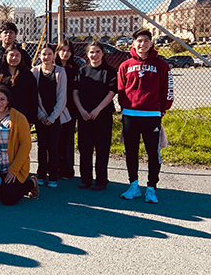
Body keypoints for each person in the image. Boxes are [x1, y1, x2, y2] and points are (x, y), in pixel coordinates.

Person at [118, 29, 173, 204]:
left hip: (152, 115)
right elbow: (121, 90)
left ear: (151, 43)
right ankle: (133, 185)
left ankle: (151, 188)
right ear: (133, 43)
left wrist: (161, 110)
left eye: (145, 41)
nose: (142, 44)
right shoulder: (125, 66)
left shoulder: (161, 65)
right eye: (139, 41)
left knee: (152, 153)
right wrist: (126, 107)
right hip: (130, 115)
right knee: (131, 152)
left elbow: (168, 90)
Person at [73, 41, 117, 191]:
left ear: (103, 53)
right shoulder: (82, 71)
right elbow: (75, 92)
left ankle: (101, 180)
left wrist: (97, 110)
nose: (95, 55)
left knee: (102, 148)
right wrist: (82, 110)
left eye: (98, 51)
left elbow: (111, 92)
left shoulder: (109, 71)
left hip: (102, 115)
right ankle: (85, 179)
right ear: (87, 54)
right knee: (85, 149)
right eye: (91, 52)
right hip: (84, 115)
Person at [32, 44, 71, 188]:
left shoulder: (61, 72)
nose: (46, 57)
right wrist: (41, 115)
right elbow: (33, 96)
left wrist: (52, 117)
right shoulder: (35, 71)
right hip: (40, 116)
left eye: (49, 54)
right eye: (43, 54)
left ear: (54, 55)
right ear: (40, 56)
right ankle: (41, 174)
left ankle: (53, 176)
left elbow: (62, 97)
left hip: (56, 116)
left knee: (53, 146)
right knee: (42, 146)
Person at [0, 44, 38, 125]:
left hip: (22, 116)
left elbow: (33, 97)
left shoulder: (27, 75)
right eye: (11, 55)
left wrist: (31, 119)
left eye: (17, 55)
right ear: (6, 56)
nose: (14, 58)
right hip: (2, 116)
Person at [55, 39, 78, 181]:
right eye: (62, 50)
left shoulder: (75, 68)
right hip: (55, 108)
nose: (65, 53)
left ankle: (67, 169)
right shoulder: (52, 67)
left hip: (70, 109)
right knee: (55, 140)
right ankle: (54, 167)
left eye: (68, 51)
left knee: (67, 140)